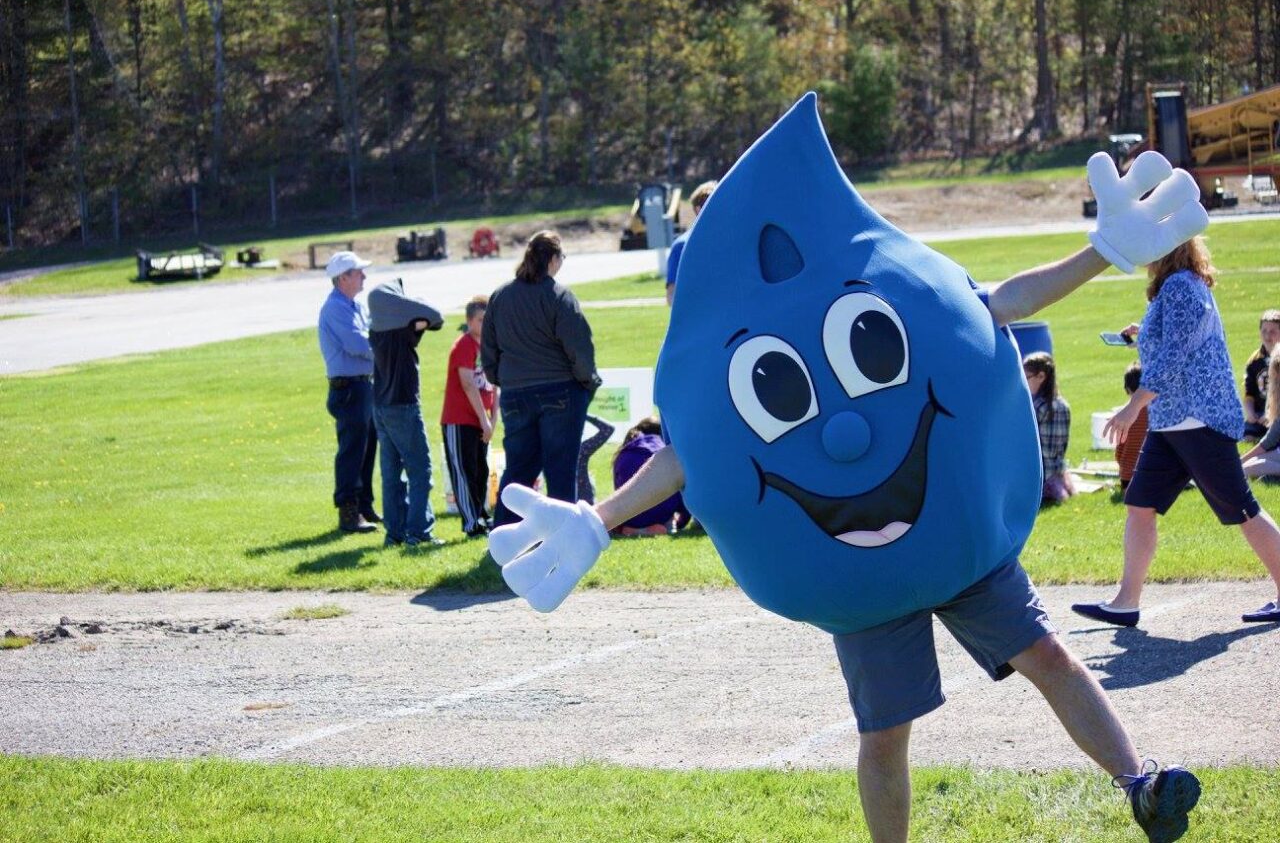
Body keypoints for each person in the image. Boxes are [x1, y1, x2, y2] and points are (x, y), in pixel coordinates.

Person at [489, 95, 1209, 843]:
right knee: (886, 733)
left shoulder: (879, 277)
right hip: (862, 574)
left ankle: (1142, 785)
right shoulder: (730, 338)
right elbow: (694, 455)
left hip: (951, 535)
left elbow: (994, 305)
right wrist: (600, 519)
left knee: (1049, 654)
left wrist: (1102, 251)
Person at [1072, 237, 1280, 629]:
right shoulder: (1179, 285)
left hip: (1198, 419)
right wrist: (1144, 333)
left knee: (1242, 508)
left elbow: (1174, 357)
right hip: (1172, 420)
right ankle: (1125, 602)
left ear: (1165, 249)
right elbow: (1177, 342)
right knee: (1140, 503)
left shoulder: (1181, 285)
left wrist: (1133, 406)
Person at [482, 230, 601, 527]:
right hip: (560, 390)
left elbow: (489, 349)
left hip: (515, 392)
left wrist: (502, 380)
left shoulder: (501, 296)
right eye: (562, 257)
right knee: (560, 471)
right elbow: (579, 347)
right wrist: (588, 382)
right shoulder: (558, 296)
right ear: (552, 260)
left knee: (518, 471)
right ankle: (562, 536)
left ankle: (504, 534)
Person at [368, 279, 445, 548]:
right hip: (403, 406)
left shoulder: (375, 330)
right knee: (420, 470)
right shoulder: (403, 330)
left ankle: (395, 533)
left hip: (380, 406)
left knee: (391, 474)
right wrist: (414, 317)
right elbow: (435, 316)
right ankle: (419, 531)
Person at [317, 251, 379, 534]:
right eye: (357, 272)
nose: (363, 276)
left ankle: (364, 505)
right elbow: (359, 344)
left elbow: (368, 339)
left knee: (367, 448)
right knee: (353, 451)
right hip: (349, 388)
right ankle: (349, 512)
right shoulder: (336, 308)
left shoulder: (355, 306)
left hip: (362, 385)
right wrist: (385, 351)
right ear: (343, 278)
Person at [441, 295, 498, 538]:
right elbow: (467, 383)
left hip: (481, 420)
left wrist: (492, 420)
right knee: (463, 472)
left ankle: (481, 513)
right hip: (460, 419)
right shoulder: (464, 345)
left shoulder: (490, 345)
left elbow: (495, 384)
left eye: (489, 319)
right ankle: (471, 522)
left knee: (480, 470)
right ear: (470, 321)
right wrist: (484, 420)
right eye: (481, 320)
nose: (485, 324)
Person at [611, 417, 689, 536]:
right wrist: (681, 522)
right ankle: (664, 525)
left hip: (630, 514)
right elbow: (680, 487)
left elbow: (619, 489)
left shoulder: (625, 452)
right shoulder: (664, 450)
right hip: (662, 512)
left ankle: (632, 528)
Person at [1023, 351, 1075, 504]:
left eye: (1026, 377)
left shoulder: (1036, 408)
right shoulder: (1064, 405)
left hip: (1040, 473)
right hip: (1058, 470)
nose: (1024, 382)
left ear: (1041, 376)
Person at [666, 181, 717, 306]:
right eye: (714, 203)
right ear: (699, 209)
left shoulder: (729, 242)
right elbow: (671, 294)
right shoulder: (682, 246)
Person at [1240, 309, 1280, 440]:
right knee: (1247, 435)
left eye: (1273, 331)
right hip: (1261, 416)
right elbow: (1249, 393)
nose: (1267, 335)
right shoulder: (1254, 361)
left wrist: (1271, 413)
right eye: (1264, 331)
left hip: (1277, 414)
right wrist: (1251, 413)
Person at [1114, 361, 1149, 491]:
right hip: (1151, 474)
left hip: (1127, 477)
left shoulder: (1124, 416)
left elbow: (1119, 451)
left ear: (1128, 389)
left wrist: (1123, 467)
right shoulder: (1155, 413)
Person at [577, 414, 615, 505]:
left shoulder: (581, 450)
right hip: (584, 502)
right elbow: (608, 429)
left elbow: (608, 429)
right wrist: (584, 414)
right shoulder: (581, 450)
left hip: (567, 502)